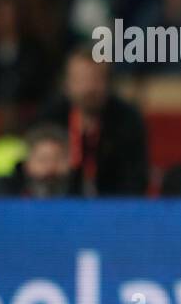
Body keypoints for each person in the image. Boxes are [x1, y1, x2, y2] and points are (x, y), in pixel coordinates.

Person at [38, 47, 149, 196]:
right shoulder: (50, 119)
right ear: (66, 84)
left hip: (114, 209)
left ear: (109, 83)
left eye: (97, 79)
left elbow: (135, 181)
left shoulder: (127, 121)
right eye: (81, 80)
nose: (89, 88)